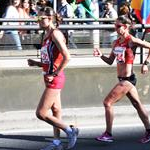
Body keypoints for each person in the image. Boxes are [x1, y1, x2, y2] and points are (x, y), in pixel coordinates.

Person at [27, 7, 79, 150]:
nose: (38, 21)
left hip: (55, 78)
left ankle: (69, 130)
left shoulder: (55, 34)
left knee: (41, 113)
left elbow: (67, 57)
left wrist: (54, 74)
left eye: (40, 18)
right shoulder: (46, 35)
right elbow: (49, 60)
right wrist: (36, 63)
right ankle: (56, 142)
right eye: (37, 18)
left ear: (49, 19)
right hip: (48, 76)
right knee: (56, 110)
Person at [93, 15, 150, 144]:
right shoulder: (116, 42)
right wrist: (101, 55)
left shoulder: (132, 40)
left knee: (107, 102)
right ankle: (149, 131)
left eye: (118, 26)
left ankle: (108, 133)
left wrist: (146, 63)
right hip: (122, 79)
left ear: (126, 27)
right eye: (115, 25)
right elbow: (110, 61)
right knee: (137, 105)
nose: (116, 28)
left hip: (128, 80)